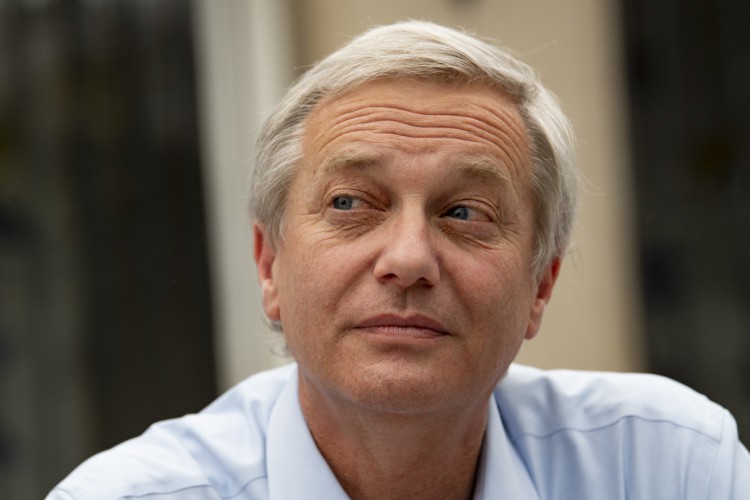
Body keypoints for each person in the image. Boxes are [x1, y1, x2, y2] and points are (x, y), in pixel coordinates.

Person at [48, 20, 749, 500]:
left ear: (541, 285)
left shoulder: (664, 466)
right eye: (352, 204)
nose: (410, 260)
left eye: (465, 213)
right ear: (269, 266)